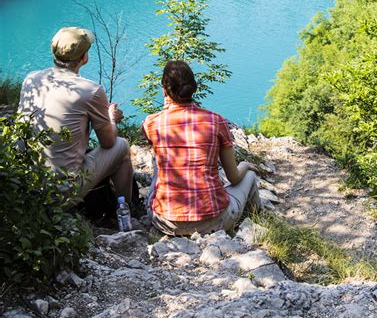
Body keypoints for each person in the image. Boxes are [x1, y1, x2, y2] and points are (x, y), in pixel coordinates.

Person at [142, 60, 261, 236]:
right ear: (193, 88)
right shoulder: (216, 121)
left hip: (166, 222)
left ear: (164, 90)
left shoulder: (152, 123)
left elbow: (154, 130)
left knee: (158, 159)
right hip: (214, 221)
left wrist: (168, 105)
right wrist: (245, 165)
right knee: (249, 176)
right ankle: (255, 226)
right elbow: (234, 178)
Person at [18, 26, 133, 204]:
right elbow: (108, 142)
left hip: (26, 186)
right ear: (84, 58)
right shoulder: (90, 90)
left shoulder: (31, 79)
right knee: (121, 145)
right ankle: (126, 212)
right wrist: (112, 118)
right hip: (62, 193)